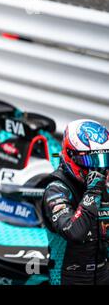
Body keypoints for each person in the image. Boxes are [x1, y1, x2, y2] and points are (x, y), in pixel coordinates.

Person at [42, 119, 109, 285]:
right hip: (68, 278)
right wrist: (92, 193)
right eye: (90, 161)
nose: (98, 169)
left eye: (103, 160)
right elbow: (74, 232)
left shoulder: (104, 186)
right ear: (69, 155)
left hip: (103, 275)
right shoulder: (56, 189)